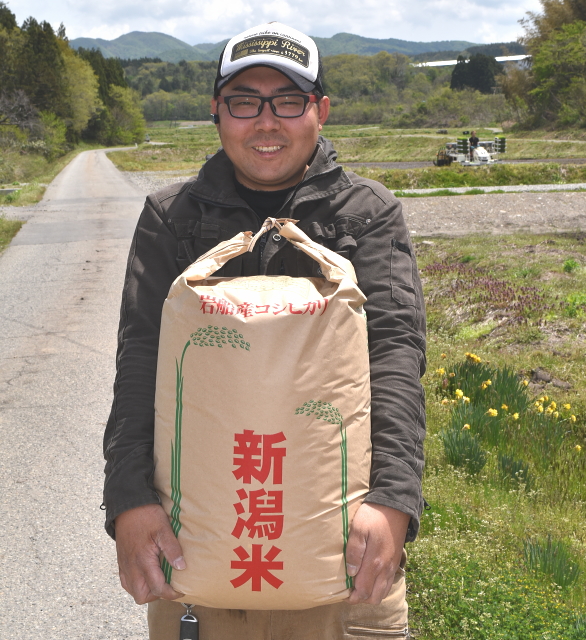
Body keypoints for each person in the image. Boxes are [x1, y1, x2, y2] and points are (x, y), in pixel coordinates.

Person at [103, 21, 426, 640]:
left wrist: (393, 504)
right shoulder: (173, 219)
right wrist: (128, 501)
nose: (266, 122)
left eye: (288, 101)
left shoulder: (368, 214)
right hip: (200, 557)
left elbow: (394, 360)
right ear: (217, 112)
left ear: (321, 110)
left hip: (342, 560)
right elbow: (140, 360)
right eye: (245, 102)